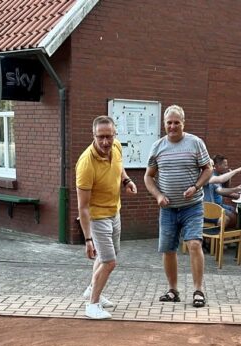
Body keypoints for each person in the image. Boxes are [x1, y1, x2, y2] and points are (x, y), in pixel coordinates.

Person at [144, 105, 212, 307]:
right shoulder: (157, 147)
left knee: (194, 244)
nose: (173, 126)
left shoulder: (195, 143)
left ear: (184, 123)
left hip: (192, 206)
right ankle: (173, 290)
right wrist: (157, 195)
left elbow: (208, 169)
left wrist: (196, 186)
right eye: (169, 123)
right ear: (164, 124)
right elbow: (148, 176)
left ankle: (198, 290)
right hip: (167, 209)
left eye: (176, 122)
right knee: (168, 249)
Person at [76, 115, 137, 319]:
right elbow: (83, 207)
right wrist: (88, 239)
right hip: (98, 216)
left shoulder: (116, 147)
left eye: (109, 136)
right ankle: (92, 305)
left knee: (108, 256)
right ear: (93, 135)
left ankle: (93, 289)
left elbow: (119, 167)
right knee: (110, 261)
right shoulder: (86, 164)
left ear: (115, 135)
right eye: (100, 137)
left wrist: (127, 180)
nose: (105, 142)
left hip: (114, 211)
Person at [204, 155, 241, 229]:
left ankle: (221, 235)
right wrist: (237, 170)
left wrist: (236, 189)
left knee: (234, 212)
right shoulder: (206, 177)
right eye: (211, 165)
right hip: (207, 209)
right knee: (232, 217)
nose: (212, 167)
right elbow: (221, 180)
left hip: (213, 207)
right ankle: (218, 234)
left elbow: (220, 190)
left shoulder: (211, 176)